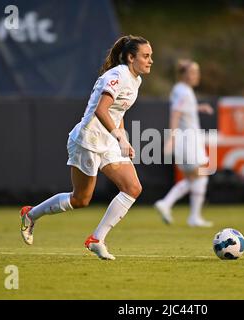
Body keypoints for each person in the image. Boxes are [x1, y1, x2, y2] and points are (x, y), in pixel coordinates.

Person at [19, 35, 153, 260]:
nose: (150, 61)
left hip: (107, 141)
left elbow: (117, 112)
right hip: (88, 141)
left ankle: (97, 239)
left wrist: (124, 138)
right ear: (131, 57)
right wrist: (118, 137)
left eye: (151, 56)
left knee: (132, 188)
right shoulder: (118, 75)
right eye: (146, 56)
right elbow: (101, 110)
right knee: (80, 200)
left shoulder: (135, 80)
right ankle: (30, 214)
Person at [154, 59, 214, 227]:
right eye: (193, 72)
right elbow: (176, 113)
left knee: (197, 177)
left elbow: (183, 109)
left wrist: (198, 108)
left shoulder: (182, 90)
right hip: (188, 140)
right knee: (200, 176)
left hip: (187, 139)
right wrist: (171, 138)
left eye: (197, 72)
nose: (197, 76)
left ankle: (190, 214)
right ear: (183, 75)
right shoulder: (183, 91)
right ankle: (169, 204)